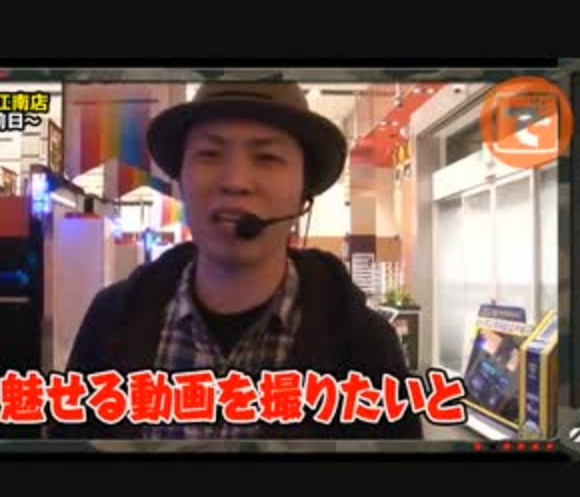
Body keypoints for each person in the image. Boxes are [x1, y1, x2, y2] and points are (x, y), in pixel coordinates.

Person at [49, 82, 423, 440]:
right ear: (180, 180)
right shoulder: (111, 320)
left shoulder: (366, 346)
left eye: (267, 157)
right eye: (210, 154)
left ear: (303, 193)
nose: (235, 181)